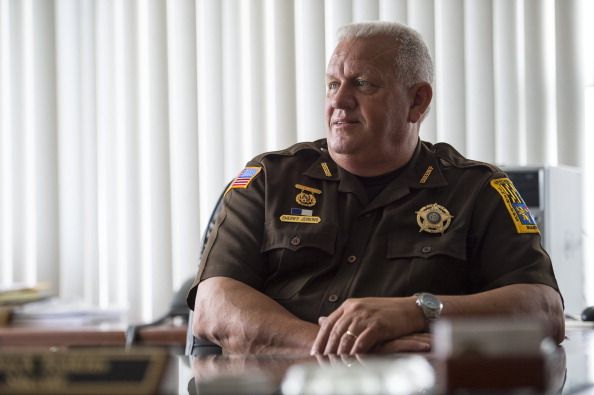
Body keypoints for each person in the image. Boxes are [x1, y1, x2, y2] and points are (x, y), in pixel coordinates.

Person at [187, 21, 564, 355]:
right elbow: (213, 306)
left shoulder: (477, 189)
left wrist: (418, 310)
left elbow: (545, 310)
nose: (338, 100)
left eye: (362, 84)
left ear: (417, 102)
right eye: (333, 84)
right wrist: (340, 349)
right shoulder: (270, 179)